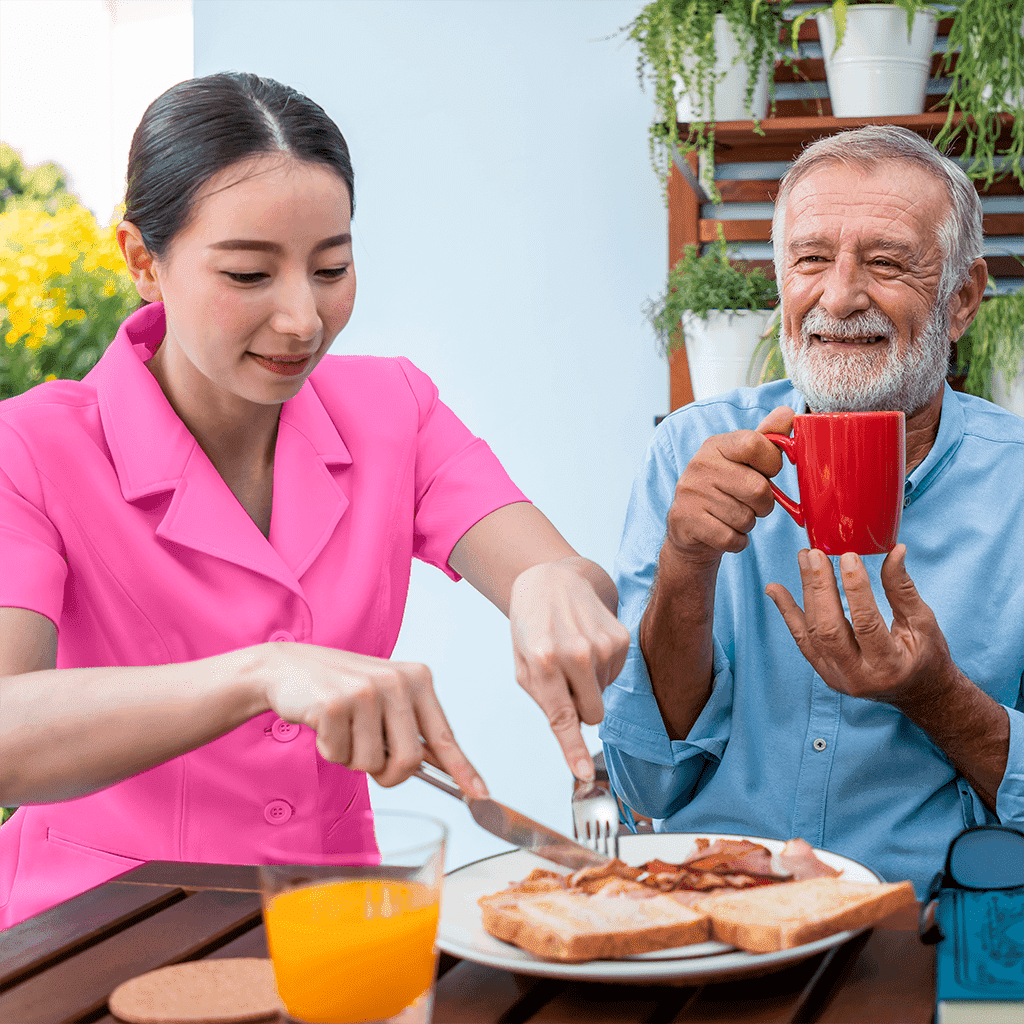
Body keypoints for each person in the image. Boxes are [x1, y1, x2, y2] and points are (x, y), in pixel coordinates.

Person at [0, 72, 630, 928]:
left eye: (331, 267)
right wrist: (261, 674)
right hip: (96, 932)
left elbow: (554, 574)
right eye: (250, 273)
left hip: (336, 929)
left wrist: (554, 583)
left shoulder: (392, 411)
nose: (303, 318)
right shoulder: (32, 447)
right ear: (143, 261)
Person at [600, 125, 1024, 895]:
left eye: (887, 262)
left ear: (961, 299)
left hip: (925, 929)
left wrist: (936, 697)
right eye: (810, 258)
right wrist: (686, 565)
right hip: (716, 910)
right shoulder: (689, 451)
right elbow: (646, 785)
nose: (838, 295)